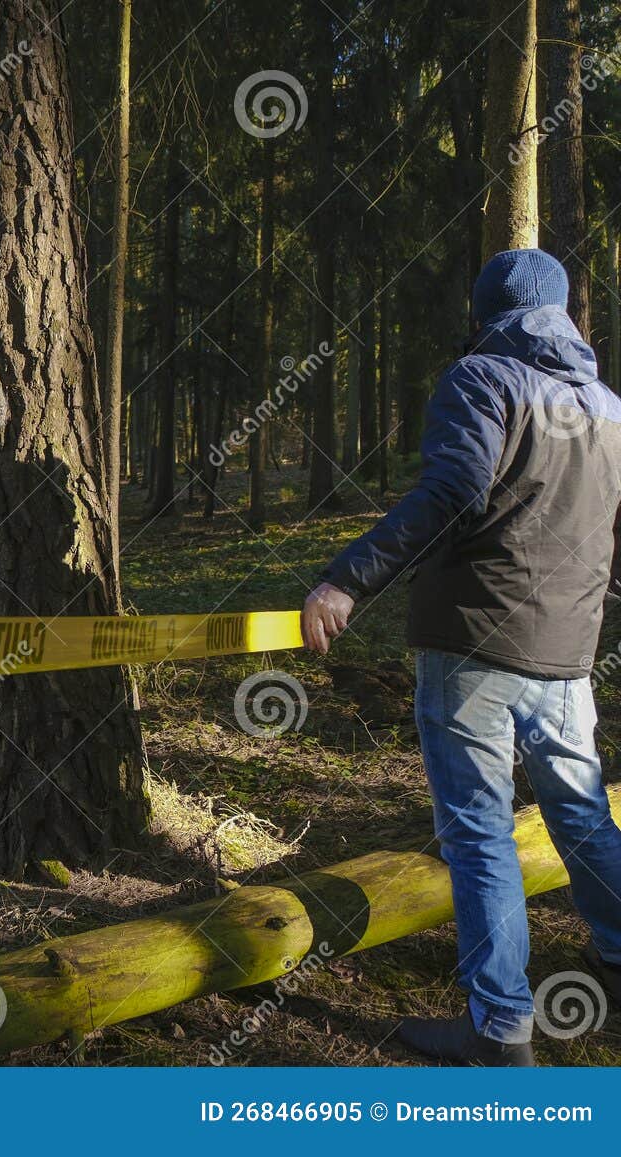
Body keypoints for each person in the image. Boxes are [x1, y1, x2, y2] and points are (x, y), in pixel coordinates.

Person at [303, 248, 621, 1066]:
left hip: (473, 642)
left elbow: (450, 493)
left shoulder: (483, 380)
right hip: (569, 652)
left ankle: (500, 1030)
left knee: (480, 834)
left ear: (484, 314)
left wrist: (346, 580)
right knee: (582, 818)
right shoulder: (608, 406)